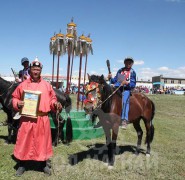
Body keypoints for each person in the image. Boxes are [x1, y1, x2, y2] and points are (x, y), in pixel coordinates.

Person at [12, 58, 62, 176]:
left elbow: (52, 99)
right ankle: (22, 164)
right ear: (30, 69)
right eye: (34, 69)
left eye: (38, 69)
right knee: (24, 141)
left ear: (40, 71)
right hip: (27, 119)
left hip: (42, 119)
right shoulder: (22, 85)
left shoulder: (47, 86)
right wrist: (17, 103)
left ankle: (43, 164)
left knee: (42, 142)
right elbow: (14, 98)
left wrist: (55, 104)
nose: (35, 71)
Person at [108, 57, 136, 129]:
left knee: (125, 102)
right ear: (124, 63)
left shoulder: (133, 72)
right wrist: (110, 78)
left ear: (132, 64)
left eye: (130, 62)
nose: (128, 63)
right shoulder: (120, 70)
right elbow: (114, 81)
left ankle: (124, 120)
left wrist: (126, 83)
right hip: (117, 88)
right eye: (127, 62)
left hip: (126, 90)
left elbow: (133, 84)